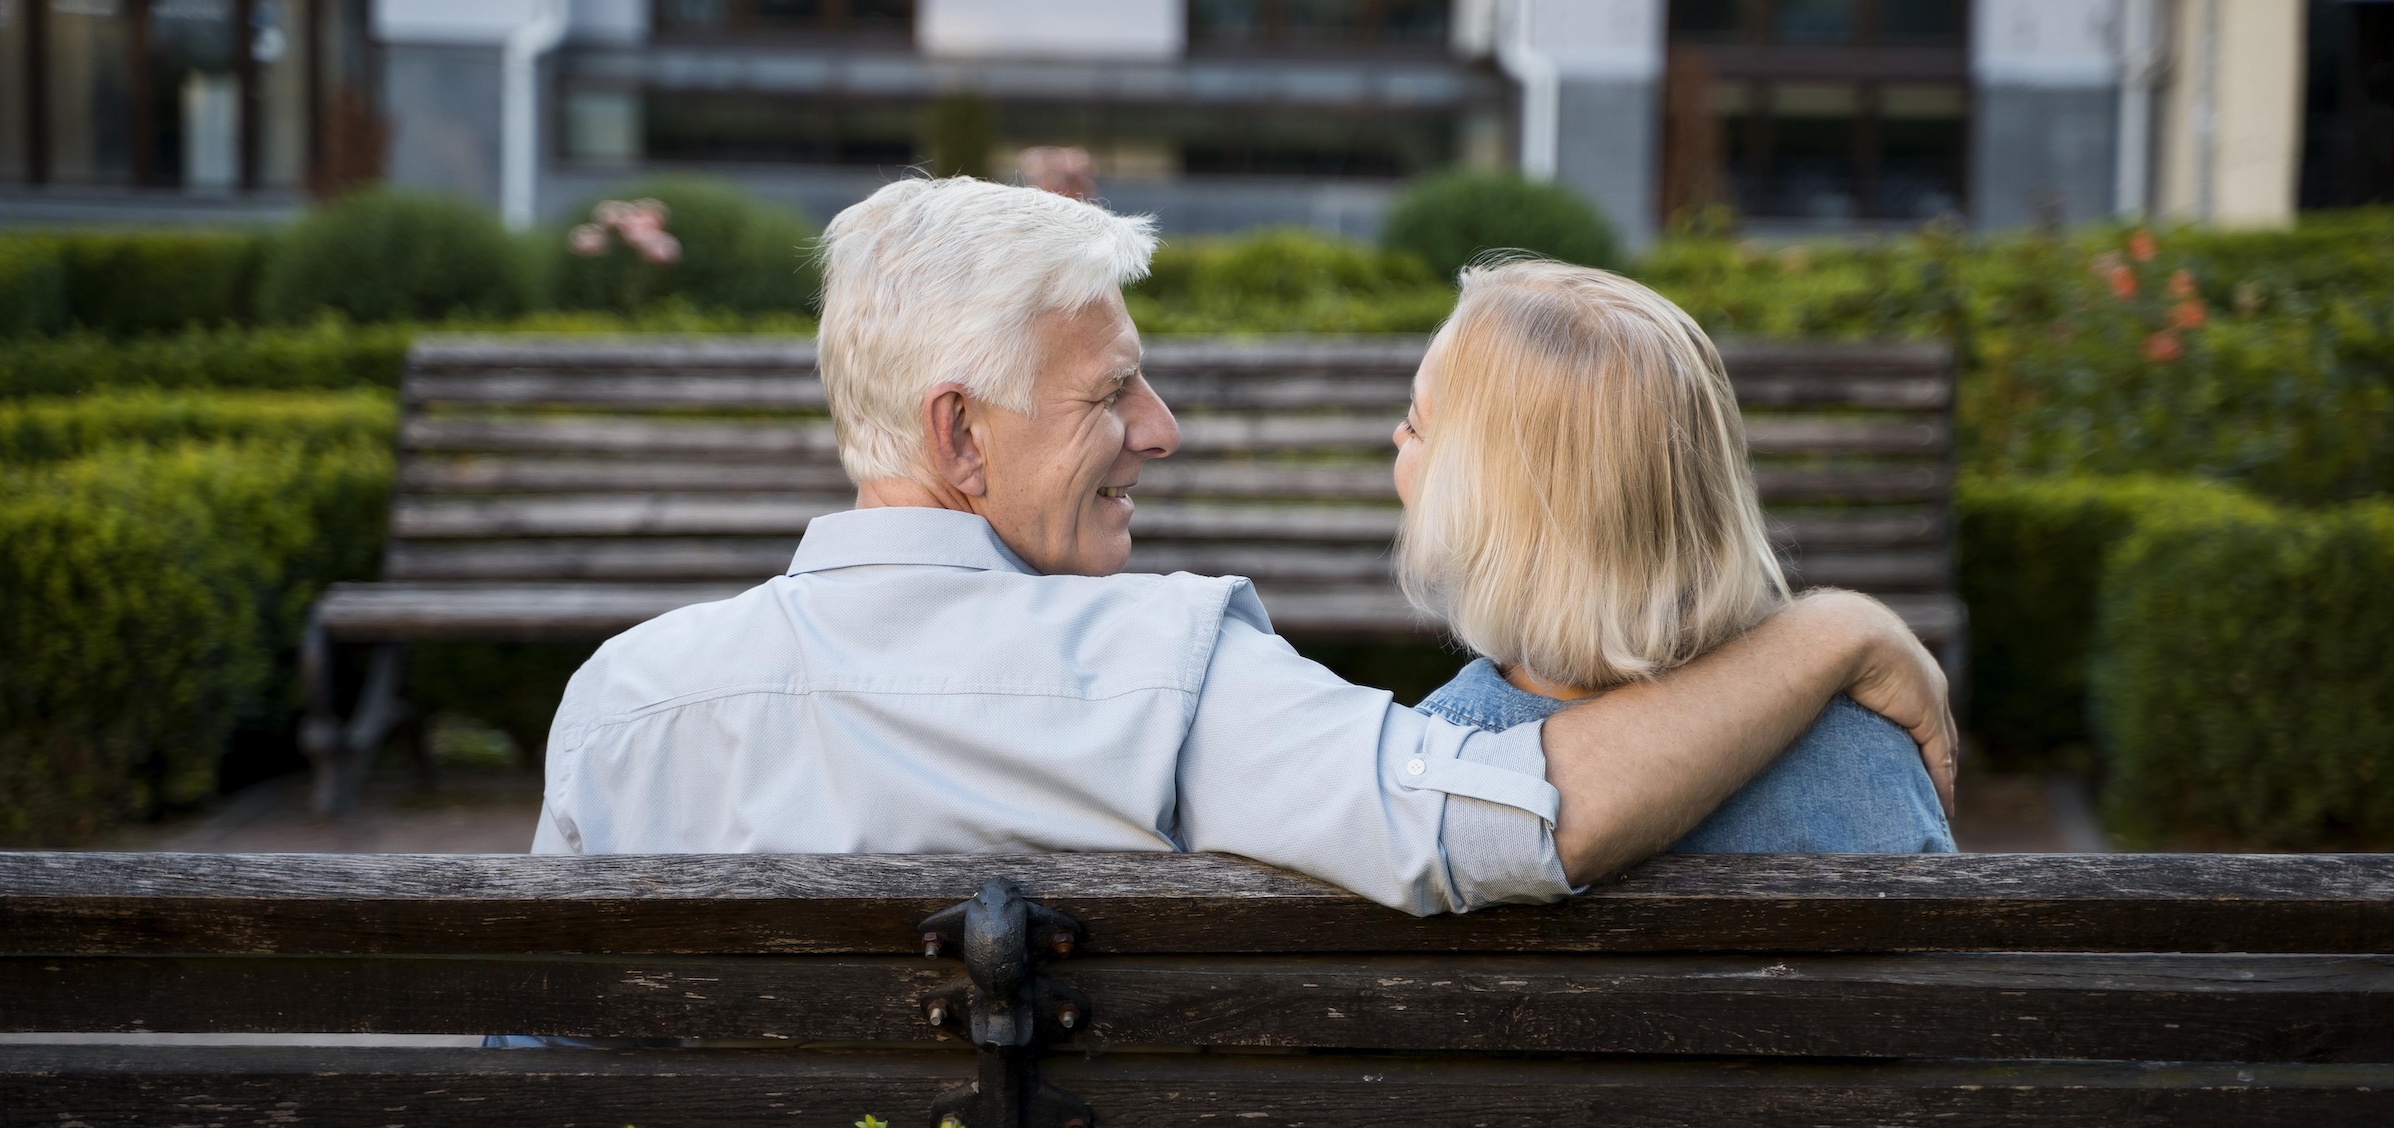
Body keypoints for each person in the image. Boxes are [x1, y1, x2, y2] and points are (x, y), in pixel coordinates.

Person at [531, 177, 1955, 913]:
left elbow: (538, 1079)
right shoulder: (1174, 677)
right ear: (960, 438)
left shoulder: (619, 704)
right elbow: (1517, 815)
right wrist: (1833, 629)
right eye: (1111, 393)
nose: (1161, 429)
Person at [1400, 260, 1954, 853]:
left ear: (1479, 509)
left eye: (1416, 425)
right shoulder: (1867, 750)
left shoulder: (1438, 767)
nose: (1397, 436)